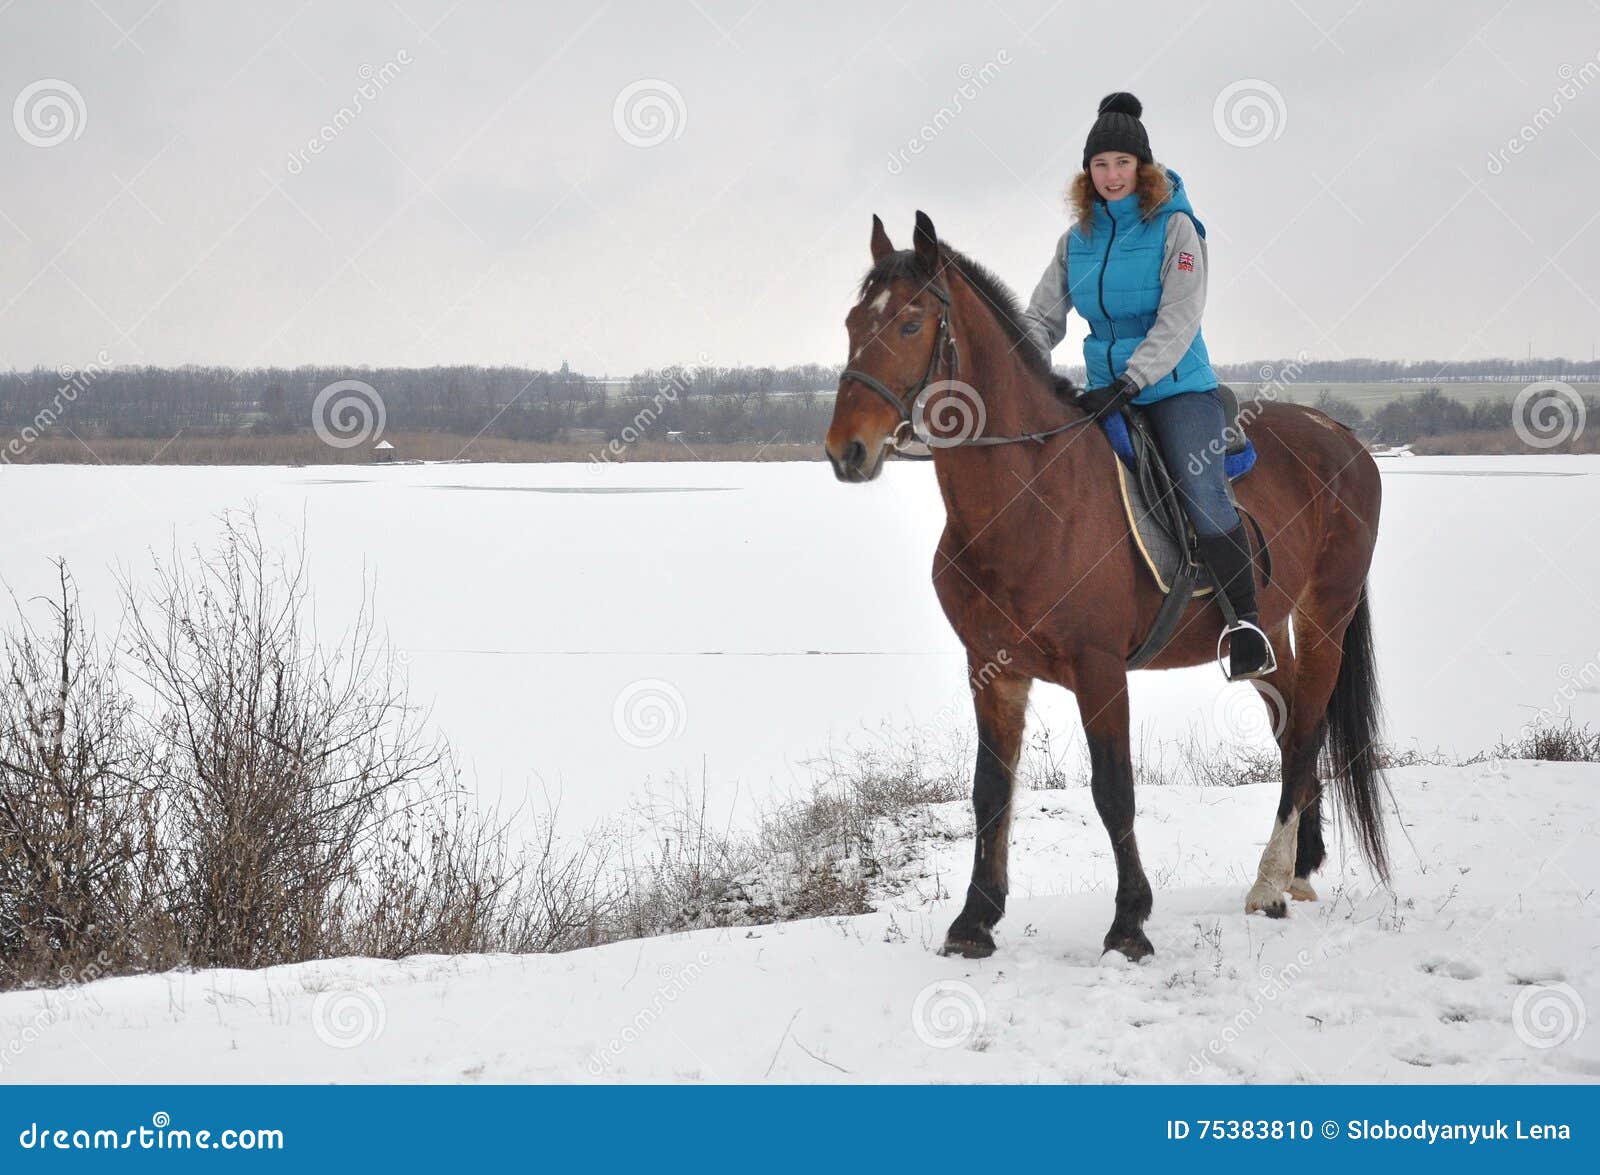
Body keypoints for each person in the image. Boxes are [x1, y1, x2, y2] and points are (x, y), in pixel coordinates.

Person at [1020, 91, 1275, 682]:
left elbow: (1179, 320)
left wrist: (1132, 380)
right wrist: (1016, 362)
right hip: (1104, 389)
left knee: (1200, 489)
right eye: (1100, 165)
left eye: (1122, 163)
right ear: (1088, 173)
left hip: (1175, 387)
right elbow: (1041, 319)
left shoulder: (1176, 228)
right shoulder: (1075, 241)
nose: (1111, 176)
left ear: (1143, 167)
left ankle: (1246, 624)